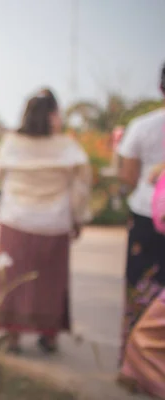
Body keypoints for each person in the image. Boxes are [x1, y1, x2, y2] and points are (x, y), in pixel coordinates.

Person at [0, 89, 92, 353]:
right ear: (52, 115)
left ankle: (12, 336)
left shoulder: (11, 142)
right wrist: (78, 218)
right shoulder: (67, 146)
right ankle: (49, 336)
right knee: (50, 282)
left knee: (12, 277)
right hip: (53, 222)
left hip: (15, 219)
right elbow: (81, 186)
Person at [117, 62, 165, 363]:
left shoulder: (144, 126)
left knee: (141, 289)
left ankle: (136, 365)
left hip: (148, 215)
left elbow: (128, 177)